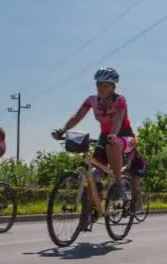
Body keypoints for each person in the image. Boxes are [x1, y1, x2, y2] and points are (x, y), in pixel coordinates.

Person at [52, 67, 144, 205]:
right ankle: (89, 213)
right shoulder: (92, 100)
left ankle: (118, 184)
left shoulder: (120, 100)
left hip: (124, 137)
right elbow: (77, 117)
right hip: (105, 137)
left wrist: (113, 134)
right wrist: (62, 131)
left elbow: (118, 119)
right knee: (93, 176)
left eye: (105, 85)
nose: (101, 88)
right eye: (98, 84)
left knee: (111, 143)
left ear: (113, 87)